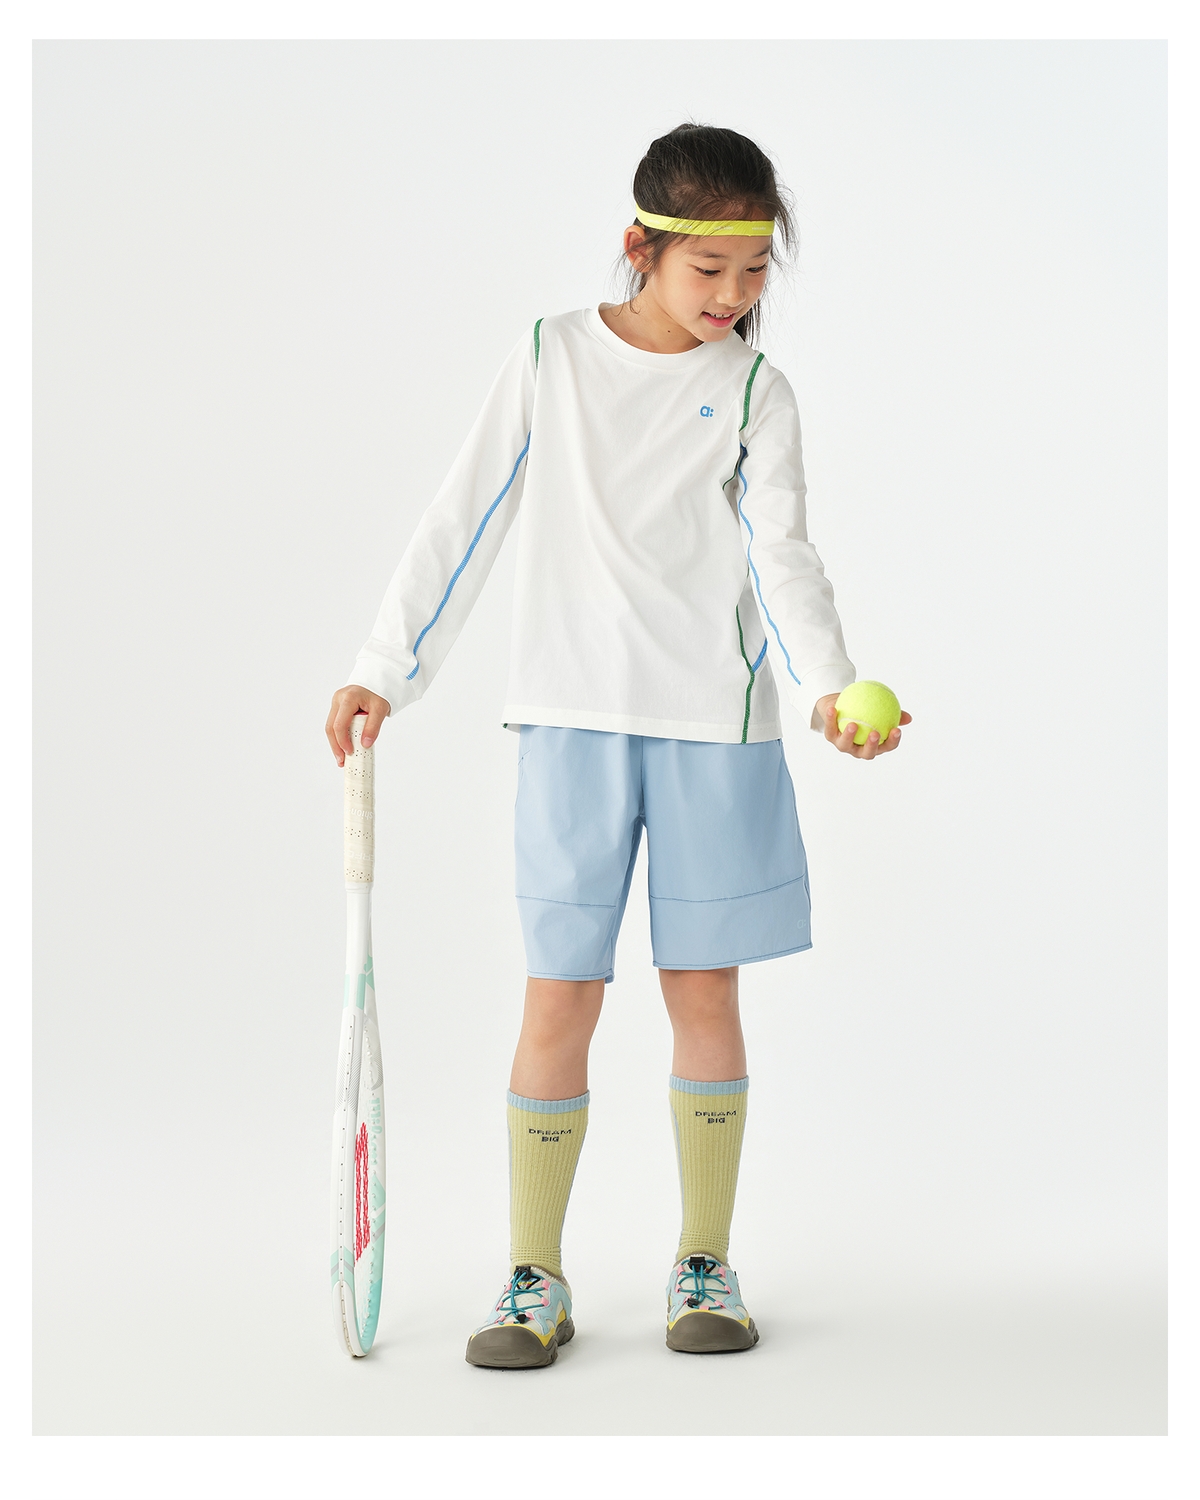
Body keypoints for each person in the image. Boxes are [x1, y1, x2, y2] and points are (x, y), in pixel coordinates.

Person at [325, 122, 910, 1369]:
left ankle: (706, 1265)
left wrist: (829, 686)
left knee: (704, 993)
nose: (733, 296)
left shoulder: (756, 390)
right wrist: (385, 667)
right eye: (709, 270)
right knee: (561, 996)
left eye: (753, 272)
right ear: (640, 247)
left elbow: (782, 556)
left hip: (716, 731)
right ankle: (533, 1277)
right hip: (572, 724)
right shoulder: (550, 356)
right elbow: (464, 516)